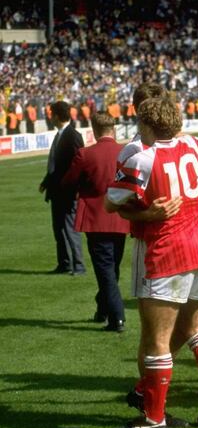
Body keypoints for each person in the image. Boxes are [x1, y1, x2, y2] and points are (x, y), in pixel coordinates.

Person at [106, 96, 198, 428]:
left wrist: (146, 212)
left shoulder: (143, 159)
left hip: (166, 250)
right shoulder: (192, 145)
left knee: (158, 338)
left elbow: (111, 201)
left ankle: (154, 417)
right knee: (194, 327)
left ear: (145, 125)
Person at [60, 112, 130, 331]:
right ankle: (103, 309)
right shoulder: (125, 153)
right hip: (121, 217)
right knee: (112, 268)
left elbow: (69, 181)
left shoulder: (86, 154)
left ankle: (116, 317)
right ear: (114, 128)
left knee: (106, 270)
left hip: (96, 218)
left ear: (94, 129)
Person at [39, 101, 86, 275]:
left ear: (57, 116)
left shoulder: (72, 135)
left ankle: (78, 265)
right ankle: (64, 263)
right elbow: (56, 166)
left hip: (67, 192)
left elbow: (78, 165)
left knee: (69, 228)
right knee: (59, 229)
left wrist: (74, 188)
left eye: (51, 114)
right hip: (58, 191)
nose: (50, 117)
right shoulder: (62, 134)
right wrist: (46, 182)